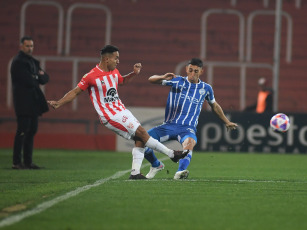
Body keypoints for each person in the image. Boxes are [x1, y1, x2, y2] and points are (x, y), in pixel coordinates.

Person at [48, 45, 188, 179]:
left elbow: (121, 81)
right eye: (116, 58)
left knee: (139, 139)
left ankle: (135, 173)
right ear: (106, 59)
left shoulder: (114, 71)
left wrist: (133, 73)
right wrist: (59, 103)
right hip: (110, 115)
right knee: (142, 133)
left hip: (121, 110)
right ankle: (171, 154)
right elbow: (75, 92)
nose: (118, 61)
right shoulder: (91, 76)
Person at [144, 58, 238, 180]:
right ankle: (156, 165)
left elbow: (214, 105)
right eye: (190, 70)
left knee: (189, 144)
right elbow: (151, 80)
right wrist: (163, 77)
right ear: (186, 69)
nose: (193, 74)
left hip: (187, 128)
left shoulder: (206, 88)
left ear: (201, 72)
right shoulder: (177, 80)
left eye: (196, 71)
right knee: (142, 141)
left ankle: (180, 172)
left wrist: (226, 121)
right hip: (168, 126)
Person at [11, 36, 49, 169]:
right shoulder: (17, 62)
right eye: (27, 46)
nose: (30, 48)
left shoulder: (33, 61)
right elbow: (28, 80)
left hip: (33, 102)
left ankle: (28, 162)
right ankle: (16, 162)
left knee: (32, 130)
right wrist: (36, 76)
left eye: (31, 46)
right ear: (21, 46)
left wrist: (36, 76)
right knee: (22, 130)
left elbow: (45, 78)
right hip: (22, 102)